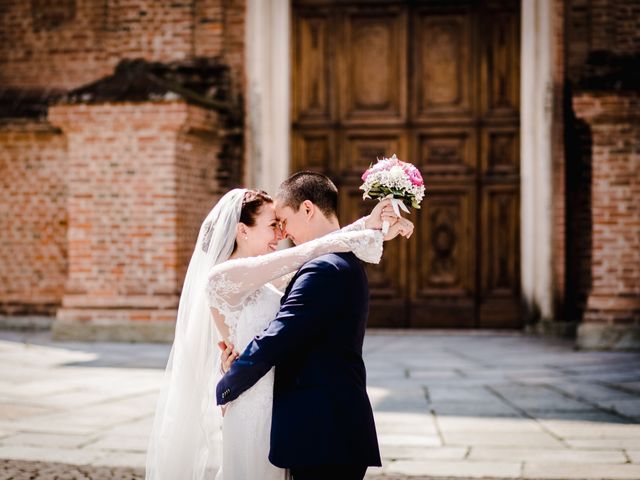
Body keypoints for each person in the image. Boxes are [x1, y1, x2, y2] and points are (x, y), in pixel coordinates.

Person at [146, 179, 412, 480]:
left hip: (286, 407)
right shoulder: (225, 276)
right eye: (273, 224)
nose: (281, 233)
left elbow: (299, 285)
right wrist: (366, 227)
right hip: (258, 401)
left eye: (281, 222)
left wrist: (371, 228)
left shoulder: (284, 274)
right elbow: (304, 257)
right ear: (242, 230)